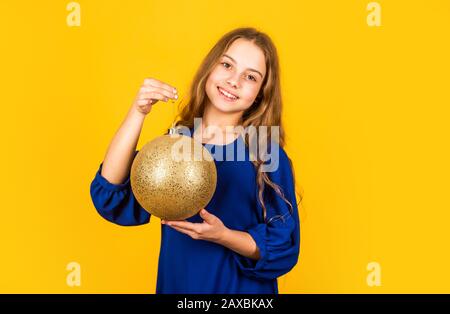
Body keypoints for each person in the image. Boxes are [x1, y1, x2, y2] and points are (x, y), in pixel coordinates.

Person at [90, 27, 301, 294]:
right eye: (227, 65)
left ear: (260, 93)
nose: (233, 81)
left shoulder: (264, 150)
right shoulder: (176, 143)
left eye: (250, 77)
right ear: (211, 68)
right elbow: (111, 192)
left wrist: (223, 236)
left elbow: (284, 245)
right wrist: (137, 112)